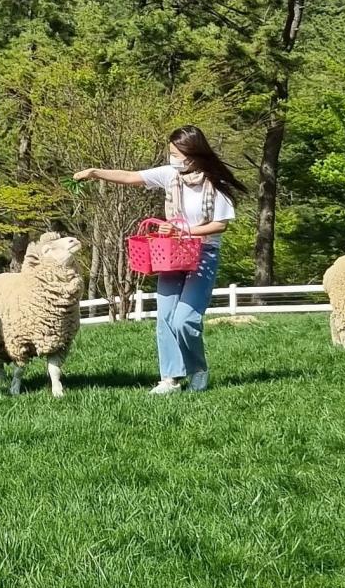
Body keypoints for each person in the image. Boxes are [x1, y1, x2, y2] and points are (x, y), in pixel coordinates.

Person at [74, 125, 239, 394]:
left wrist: (183, 230)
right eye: (171, 152)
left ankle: (198, 370)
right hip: (171, 254)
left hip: (202, 255)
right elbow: (129, 177)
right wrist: (95, 173)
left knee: (184, 319)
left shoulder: (214, 184)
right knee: (165, 317)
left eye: (177, 153)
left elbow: (220, 225)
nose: (172, 158)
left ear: (192, 153)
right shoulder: (170, 175)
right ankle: (170, 379)